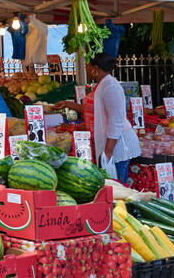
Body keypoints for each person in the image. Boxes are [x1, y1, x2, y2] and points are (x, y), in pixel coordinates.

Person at [51, 54, 139, 182]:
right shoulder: (101, 85)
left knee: (118, 188)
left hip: (118, 145)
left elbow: (116, 120)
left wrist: (108, 151)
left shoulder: (110, 86)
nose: (86, 69)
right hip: (111, 143)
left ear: (95, 68)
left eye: (87, 66)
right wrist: (68, 104)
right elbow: (92, 110)